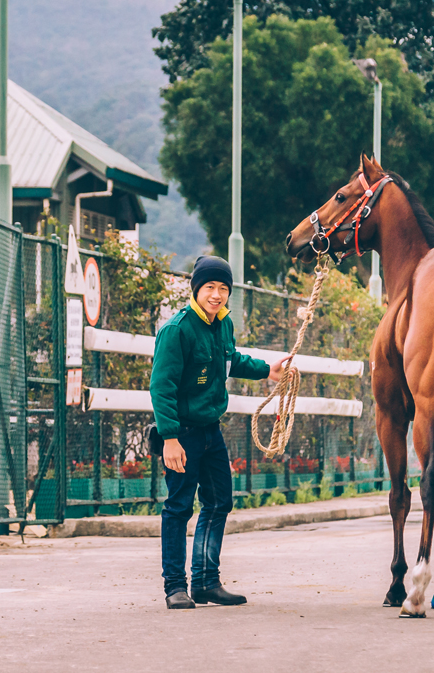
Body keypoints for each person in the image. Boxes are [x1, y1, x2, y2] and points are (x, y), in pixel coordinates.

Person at [150, 255, 288, 609]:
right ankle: (175, 587)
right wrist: (169, 439)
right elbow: (161, 387)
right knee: (179, 507)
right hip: (181, 432)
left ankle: (206, 582)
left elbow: (232, 359)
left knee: (219, 502)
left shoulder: (222, 324)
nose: (216, 294)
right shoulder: (177, 330)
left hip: (212, 430)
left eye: (223, 288)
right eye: (209, 287)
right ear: (196, 289)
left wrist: (267, 371)